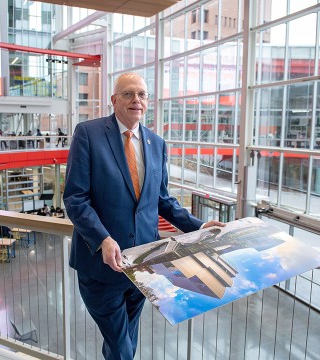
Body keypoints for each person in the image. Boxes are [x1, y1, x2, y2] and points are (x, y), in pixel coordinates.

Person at [63, 72, 224, 360]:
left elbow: (162, 200)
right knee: (122, 346)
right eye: (128, 94)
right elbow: (76, 198)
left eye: (142, 94)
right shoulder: (88, 134)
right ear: (114, 100)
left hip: (142, 267)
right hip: (101, 267)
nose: (136, 100)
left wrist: (199, 226)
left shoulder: (157, 144)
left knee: (123, 342)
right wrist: (103, 239)